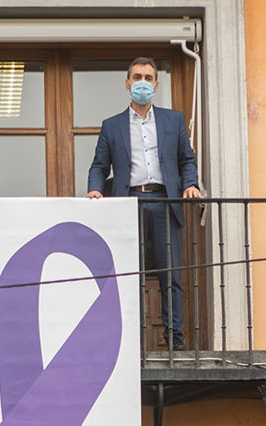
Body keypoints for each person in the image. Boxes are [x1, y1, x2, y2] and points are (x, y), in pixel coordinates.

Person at [87, 57, 202, 350]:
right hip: (130, 204)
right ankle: (133, 340)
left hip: (165, 201)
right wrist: (95, 190)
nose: (142, 82)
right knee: (130, 275)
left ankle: (174, 340)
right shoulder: (111, 126)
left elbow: (186, 159)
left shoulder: (173, 120)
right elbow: (99, 166)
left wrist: (190, 184)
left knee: (171, 275)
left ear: (156, 84)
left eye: (148, 78)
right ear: (127, 84)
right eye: (137, 77)